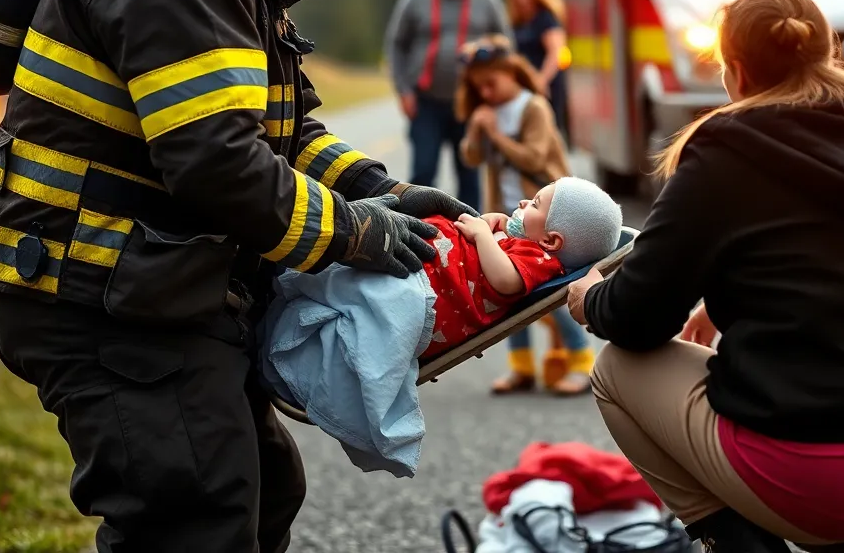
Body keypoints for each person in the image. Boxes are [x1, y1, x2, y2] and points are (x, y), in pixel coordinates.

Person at [0, 0, 477, 552]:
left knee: (262, 493)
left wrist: (381, 192)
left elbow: (280, 132)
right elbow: (216, 163)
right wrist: (356, 233)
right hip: (97, 296)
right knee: (194, 517)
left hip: (144, 285)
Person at [566, 0, 844, 553]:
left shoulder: (721, 151)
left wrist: (590, 297)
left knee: (616, 370)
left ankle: (749, 544)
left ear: (735, 72)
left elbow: (639, 317)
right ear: (825, 51)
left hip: (818, 469)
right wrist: (726, 296)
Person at [262, 177, 623, 475]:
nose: (525, 202)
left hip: (419, 294)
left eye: (536, 204)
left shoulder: (541, 260)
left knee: (344, 290)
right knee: (333, 279)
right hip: (422, 269)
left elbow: (506, 281)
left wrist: (483, 235)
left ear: (552, 240)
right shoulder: (529, 245)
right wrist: (497, 229)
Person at [455, 35, 595, 396]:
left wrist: (496, 135)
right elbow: (470, 158)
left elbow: (534, 158)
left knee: (552, 296)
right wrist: (476, 129)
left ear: (511, 72)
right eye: (477, 88)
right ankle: (521, 367)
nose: (485, 93)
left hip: (548, 219)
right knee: (509, 296)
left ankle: (582, 363)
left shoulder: (533, 107)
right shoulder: (487, 112)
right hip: (513, 217)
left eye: (491, 83)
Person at [384, 0, 512, 212]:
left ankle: (471, 240)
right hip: (426, 101)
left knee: (469, 175)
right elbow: (395, 46)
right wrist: (404, 90)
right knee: (423, 172)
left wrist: (494, 93)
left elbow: (506, 49)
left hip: (469, 104)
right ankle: (419, 233)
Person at [504, 0, 569, 137]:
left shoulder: (545, 19)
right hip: (523, 86)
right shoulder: (515, 23)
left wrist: (541, 80)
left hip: (545, 83)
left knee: (547, 132)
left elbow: (556, 52)